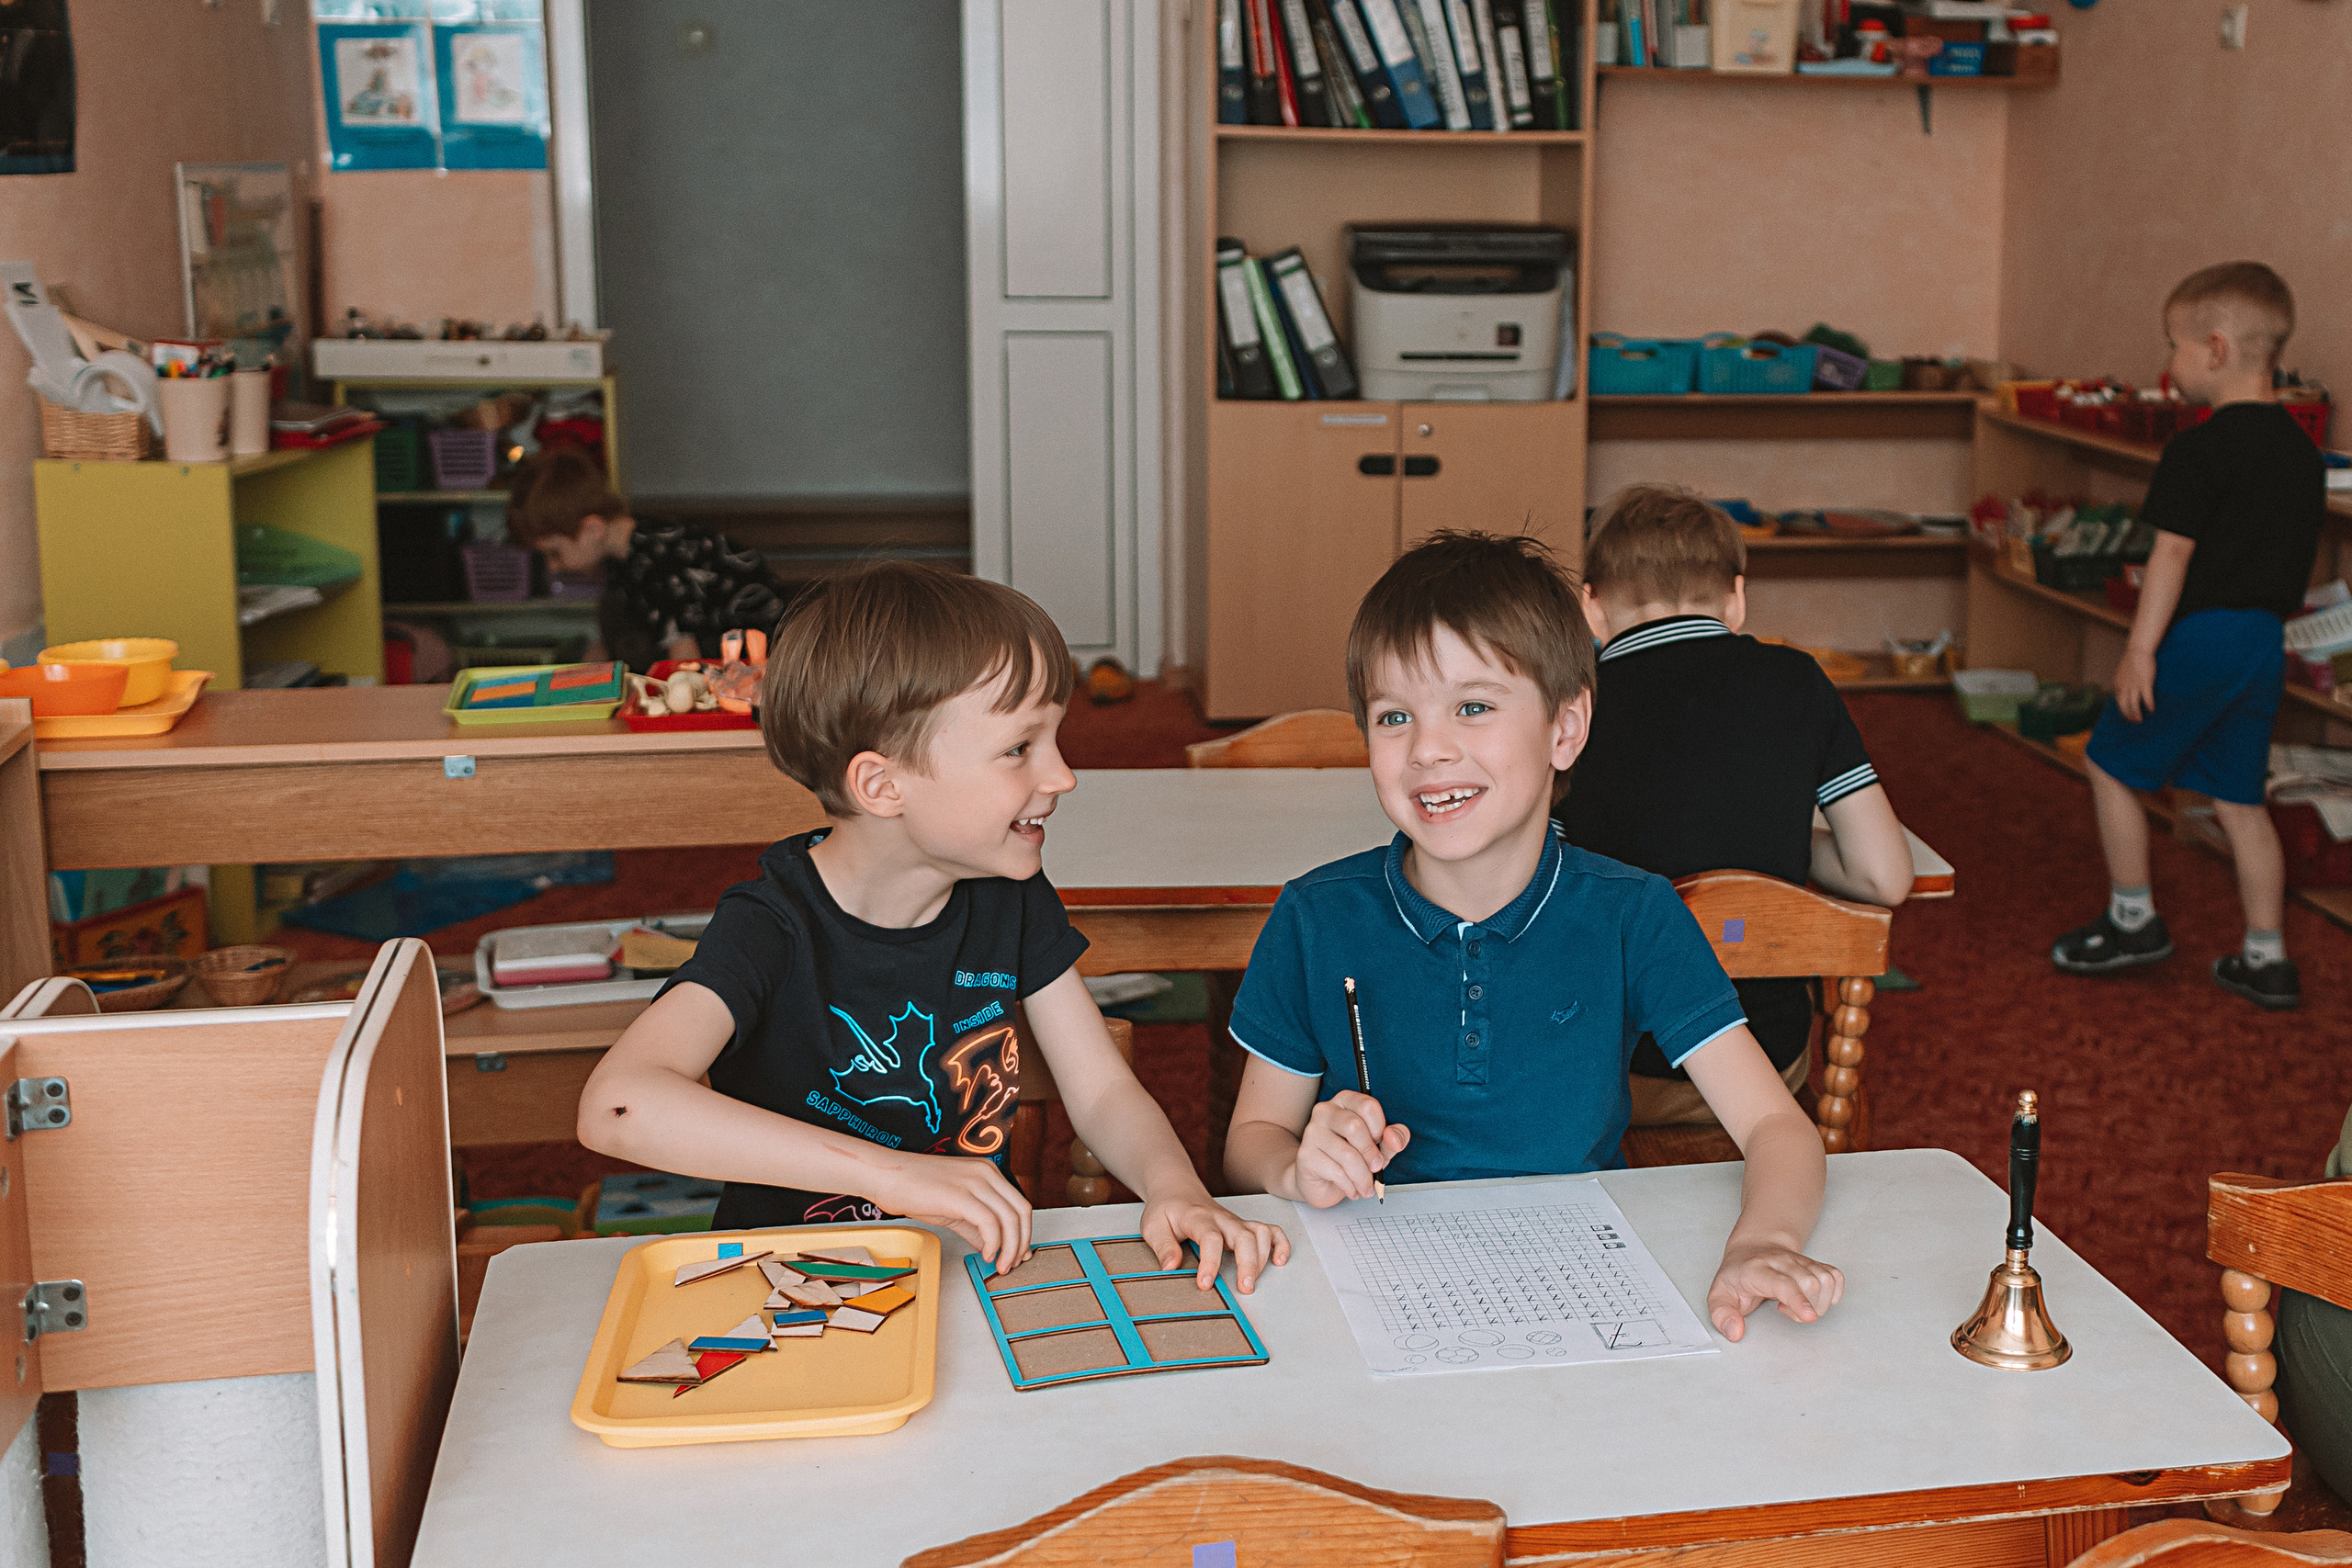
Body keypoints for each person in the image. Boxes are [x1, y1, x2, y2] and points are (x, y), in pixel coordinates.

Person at [577, 562, 1287, 1290]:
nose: (1063, 775)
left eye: (1054, 740)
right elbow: (619, 1105)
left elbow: (1101, 1089)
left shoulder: (1008, 895)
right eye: (1019, 748)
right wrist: (892, 1176)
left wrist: (1176, 1187)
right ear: (882, 786)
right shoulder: (771, 924)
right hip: (786, 1288)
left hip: (964, 1275)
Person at [1219, 531, 1843, 1340]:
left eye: (1472, 707)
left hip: (1580, 1295)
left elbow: (1777, 1127)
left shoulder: (1634, 913)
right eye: (1393, 715)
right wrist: (1295, 1166)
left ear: (1565, 728)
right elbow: (1249, 1141)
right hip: (1367, 1300)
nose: (1428, 748)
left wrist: (1764, 1239)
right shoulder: (1314, 914)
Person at [1558, 485, 1912, 1128]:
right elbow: (1884, 875)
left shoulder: (1567, 707)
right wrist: (1778, 845)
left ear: (1592, 607)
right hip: (1764, 1064)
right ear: (1737, 598)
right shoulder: (1799, 682)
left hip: (1605, 1072)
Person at [2051, 263, 2324, 1010]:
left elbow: (2170, 554)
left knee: (2111, 764)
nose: (2167, 365)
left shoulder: (2198, 450)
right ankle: (2267, 957)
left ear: (2214, 348)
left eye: (2172, 346)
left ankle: (2133, 919)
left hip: (2201, 637)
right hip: (2263, 644)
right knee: (2240, 800)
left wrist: (2139, 648)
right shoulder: (2304, 456)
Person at [503, 446, 789, 672]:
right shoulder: (629, 551)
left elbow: (686, 662)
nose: (553, 566)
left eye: (554, 553)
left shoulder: (656, 564)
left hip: (771, 666)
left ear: (592, 529)